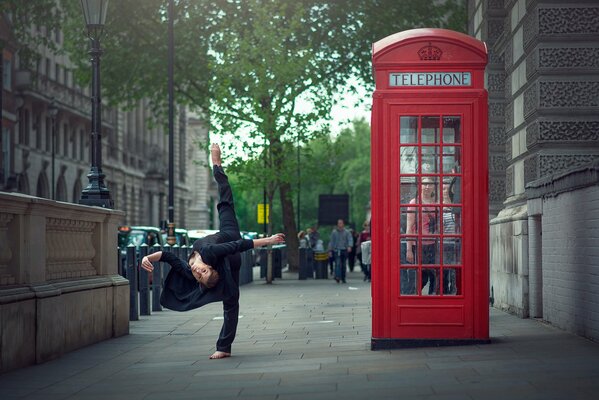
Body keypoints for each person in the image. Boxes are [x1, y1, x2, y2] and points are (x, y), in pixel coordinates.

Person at [140, 144, 285, 359]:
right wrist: (269, 240)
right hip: (230, 237)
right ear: (209, 266)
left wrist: (147, 257)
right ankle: (217, 165)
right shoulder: (209, 254)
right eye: (204, 272)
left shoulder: (191, 271)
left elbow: (168, 256)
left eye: (199, 275)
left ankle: (223, 348)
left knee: (230, 301)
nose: (198, 272)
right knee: (225, 202)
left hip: (227, 261)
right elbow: (239, 245)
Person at [405, 177, 438, 295]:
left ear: (434, 186)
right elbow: (409, 227)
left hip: (434, 245)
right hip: (418, 245)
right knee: (421, 277)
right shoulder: (414, 203)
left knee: (435, 275)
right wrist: (409, 249)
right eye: (425, 184)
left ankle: (433, 301)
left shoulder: (436, 203)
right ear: (420, 186)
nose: (427, 187)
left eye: (430, 184)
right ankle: (413, 298)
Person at [328, 218, 353, 283]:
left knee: (344, 264)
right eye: (339, 223)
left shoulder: (347, 232)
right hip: (336, 250)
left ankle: (343, 277)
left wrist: (349, 246)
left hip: (344, 249)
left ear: (343, 224)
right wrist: (330, 250)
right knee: (337, 263)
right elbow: (331, 241)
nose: (340, 224)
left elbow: (350, 239)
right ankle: (337, 277)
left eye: (341, 223)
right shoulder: (334, 232)